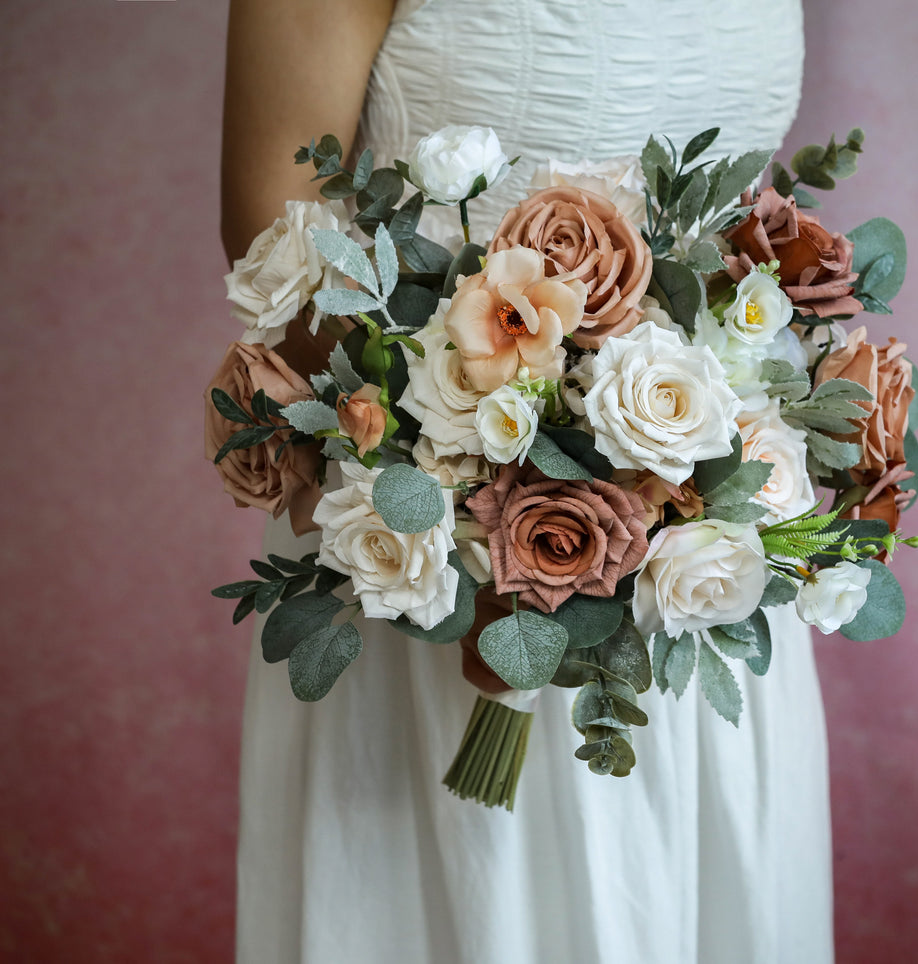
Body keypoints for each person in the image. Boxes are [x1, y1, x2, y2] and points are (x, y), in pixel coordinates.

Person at [220, 1, 833, 961]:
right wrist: (483, 484)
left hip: (699, 565)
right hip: (430, 564)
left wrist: (667, 481)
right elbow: (276, 227)